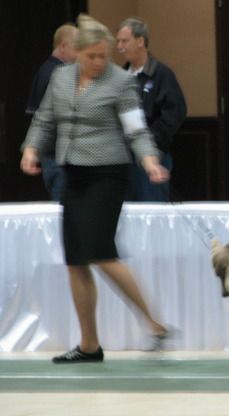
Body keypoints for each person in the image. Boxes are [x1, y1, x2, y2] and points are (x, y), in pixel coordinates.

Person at [20, 14, 170, 363]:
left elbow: (136, 129)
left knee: (100, 252)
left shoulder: (121, 82)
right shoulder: (60, 78)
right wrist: (30, 149)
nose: (100, 62)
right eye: (92, 56)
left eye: (104, 55)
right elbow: (44, 119)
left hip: (107, 174)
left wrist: (149, 161)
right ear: (76, 52)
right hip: (72, 174)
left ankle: (154, 324)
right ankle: (89, 344)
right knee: (75, 260)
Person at [116, 17, 187, 202]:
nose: (120, 47)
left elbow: (175, 112)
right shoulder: (120, 77)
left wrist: (151, 140)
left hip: (153, 156)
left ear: (140, 41)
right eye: (118, 42)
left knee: (151, 207)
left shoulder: (161, 74)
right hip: (123, 158)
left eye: (125, 41)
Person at [25, 23, 78, 201]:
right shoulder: (59, 74)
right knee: (66, 211)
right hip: (61, 158)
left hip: (50, 157)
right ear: (63, 45)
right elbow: (49, 119)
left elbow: (34, 115)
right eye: (76, 46)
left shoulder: (43, 71)